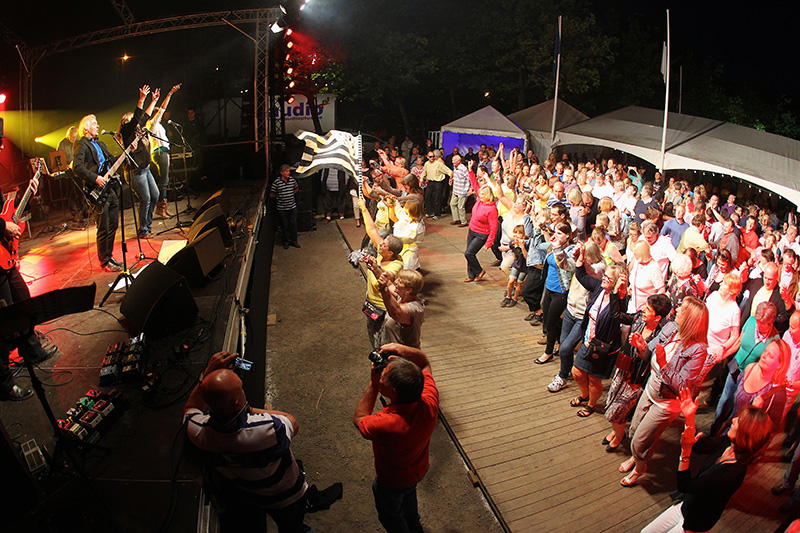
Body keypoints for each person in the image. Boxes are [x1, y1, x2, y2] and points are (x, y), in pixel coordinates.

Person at [184, 351, 310, 532]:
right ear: (237, 404)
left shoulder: (200, 433)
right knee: (293, 528)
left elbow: (190, 408)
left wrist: (207, 375)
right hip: (287, 496)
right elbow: (292, 422)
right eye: (241, 390)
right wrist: (248, 409)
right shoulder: (268, 429)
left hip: (248, 494)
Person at [642, 394, 772, 533]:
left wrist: (685, 451)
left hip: (695, 522)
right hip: (685, 506)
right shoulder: (727, 443)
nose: (734, 420)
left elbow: (685, 485)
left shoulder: (735, 472)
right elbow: (698, 445)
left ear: (745, 435)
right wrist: (689, 416)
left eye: (739, 421)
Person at [619, 296, 709, 486]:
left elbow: (683, 386)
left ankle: (640, 468)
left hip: (666, 402)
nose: (676, 309)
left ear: (690, 319)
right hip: (651, 388)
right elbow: (648, 353)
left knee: (639, 442)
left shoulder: (698, 350)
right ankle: (636, 457)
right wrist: (641, 347)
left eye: (681, 309)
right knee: (633, 430)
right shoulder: (670, 328)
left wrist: (663, 364)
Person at [354, 343, 439, 533]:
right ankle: (414, 525)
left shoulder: (385, 424)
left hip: (391, 482)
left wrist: (373, 384)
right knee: (409, 496)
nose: (380, 375)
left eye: (383, 376)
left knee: (391, 516)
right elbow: (424, 363)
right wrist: (401, 349)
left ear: (393, 392)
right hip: (417, 471)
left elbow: (359, 419)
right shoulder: (429, 402)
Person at [0, 181, 59, 401]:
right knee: (3, 321)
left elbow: (5, 211)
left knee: (23, 298)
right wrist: (3, 226)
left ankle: (32, 351)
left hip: (4, 255)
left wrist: (25, 198)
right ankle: (5, 385)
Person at [603, 294, 675, 451]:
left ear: (657, 317)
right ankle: (616, 431)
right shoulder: (638, 319)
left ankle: (619, 435)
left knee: (618, 410)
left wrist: (642, 347)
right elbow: (616, 315)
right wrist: (615, 292)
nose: (643, 309)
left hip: (636, 379)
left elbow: (651, 358)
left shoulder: (662, 334)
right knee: (610, 401)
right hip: (623, 369)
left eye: (648, 309)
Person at [569, 253, 627, 418]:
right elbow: (581, 276)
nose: (604, 279)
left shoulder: (620, 301)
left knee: (594, 380)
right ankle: (585, 394)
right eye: (604, 276)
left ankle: (592, 404)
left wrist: (618, 291)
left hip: (603, 347)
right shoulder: (599, 289)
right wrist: (580, 258)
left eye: (608, 278)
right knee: (576, 372)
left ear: (616, 283)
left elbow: (616, 315)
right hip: (588, 340)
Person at [708, 302, 779, 437]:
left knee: (738, 407)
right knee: (724, 400)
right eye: (757, 322)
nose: (758, 326)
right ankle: (713, 429)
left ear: (771, 323)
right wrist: (724, 354)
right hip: (736, 368)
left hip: (749, 378)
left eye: (762, 324)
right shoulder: (751, 321)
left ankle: (727, 435)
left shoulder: (774, 339)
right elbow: (738, 342)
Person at [72, 113, 122, 271]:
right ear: (86, 129)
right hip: (96, 191)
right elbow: (77, 167)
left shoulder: (101, 144)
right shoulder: (81, 144)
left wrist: (128, 152)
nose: (98, 125)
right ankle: (104, 261)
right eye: (94, 123)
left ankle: (109, 256)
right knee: (103, 227)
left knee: (113, 224)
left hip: (109, 188)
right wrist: (95, 178)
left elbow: (112, 160)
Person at [119, 85, 161, 239]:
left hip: (145, 169)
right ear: (127, 122)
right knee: (146, 199)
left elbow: (145, 116)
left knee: (155, 195)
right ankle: (143, 230)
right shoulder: (126, 132)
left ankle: (147, 226)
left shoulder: (137, 130)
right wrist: (142, 99)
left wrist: (154, 101)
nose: (138, 124)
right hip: (135, 172)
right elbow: (138, 117)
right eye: (134, 122)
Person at [147, 84, 181, 218]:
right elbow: (162, 109)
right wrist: (170, 94)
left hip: (162, 152)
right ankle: (160, 208)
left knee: (165, 181)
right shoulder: (152, 123)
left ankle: (163, 207)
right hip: (159, 152)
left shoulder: (157, 125)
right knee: (164, 181)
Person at [463, 161, 498, 282]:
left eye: (482, 194)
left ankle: (479, 271)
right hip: (472, 229)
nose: (479, 195)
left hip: (482, 234)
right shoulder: (480, 199)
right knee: (469, 253)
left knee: (469, 253)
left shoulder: (492, 209)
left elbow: (494, 227)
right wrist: (470, 170)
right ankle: (471, 275)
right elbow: (474, 183)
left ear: (487, 195)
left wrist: (489, 242)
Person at [375, 269, 425, 348]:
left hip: (402, 354)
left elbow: (395, 312)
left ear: (408, 290)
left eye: (400, 282)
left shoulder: (415, 309)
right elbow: (388, 284)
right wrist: (374, 268)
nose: (395, 282)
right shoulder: (402, 298)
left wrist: (383, 289)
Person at [58, 126, 88, 220]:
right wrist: (66, 165)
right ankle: (75, 212)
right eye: (71, 137)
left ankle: (84, 210)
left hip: (77, 169)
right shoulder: (62, 144)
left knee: (81, 190)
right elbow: (58, 158)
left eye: (74, 137)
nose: (73, 139)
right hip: (67, 170)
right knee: (70, 192)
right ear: (68, 136)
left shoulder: (78, 142)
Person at [270, 164, 300, 249]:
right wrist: (280, 196)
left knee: (293, 224)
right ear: (282, 173)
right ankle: (286, 241)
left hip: (292, 207)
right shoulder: (277, 182)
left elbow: (296, 188)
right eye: (286, 171)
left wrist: (290, 194)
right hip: (282, 208)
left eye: (289, 171)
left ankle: (294, 241)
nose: (288, 173)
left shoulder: (292, 180)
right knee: (285, 225)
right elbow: (272, 194)